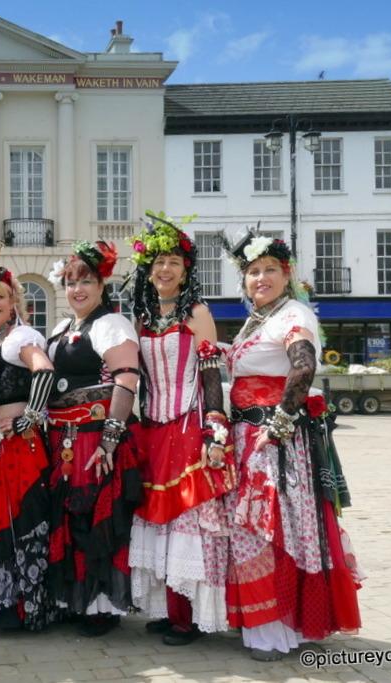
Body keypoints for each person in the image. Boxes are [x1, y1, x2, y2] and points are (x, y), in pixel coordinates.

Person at [223, 232, 363, 661]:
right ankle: (274, 622)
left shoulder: (293, 313)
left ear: (287, 275)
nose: (260, 278)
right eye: (253, 272)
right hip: (248, 436)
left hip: (273, 441)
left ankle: (274, 629)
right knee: (257, 530)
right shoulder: (259, 319)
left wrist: (280, 423)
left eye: (270, 270)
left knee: (268, 531)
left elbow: (303, 367)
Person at [126, 215, 234, 645]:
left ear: (186, 269)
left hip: (188, 426)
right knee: (157, 521)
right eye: (158, 262)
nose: (165, 269)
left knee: (186, 521)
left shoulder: (198, 313)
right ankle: (165, 609)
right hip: (152, 430)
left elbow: (211, 374)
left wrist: (214, 430)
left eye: (173, 261)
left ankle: (188, 617)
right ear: (148, 270)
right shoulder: (141, 316)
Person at [44, 240, 143, 636]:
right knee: (68, 519)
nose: (77, 289)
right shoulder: (62, 327)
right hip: (63, 439)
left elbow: (126, 379)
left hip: (93, 439)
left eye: (86, 281)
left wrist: (109, 441)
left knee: (93, 519)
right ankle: (74, 600)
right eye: (71, 282)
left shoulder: (111, 325)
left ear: (102, 285)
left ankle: (100, 606)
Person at [0, 243, 56, 631]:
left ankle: (27, 605)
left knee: (21, 517)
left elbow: (45, 371)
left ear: (13, 300)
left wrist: (30, 416)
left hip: (19, 445)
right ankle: (4, 602)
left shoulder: (21, 336)